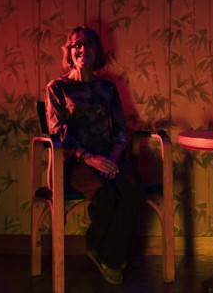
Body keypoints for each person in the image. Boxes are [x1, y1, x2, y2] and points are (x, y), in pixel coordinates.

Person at [45, 25, 146, 285]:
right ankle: (105, 249)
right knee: (105, 195)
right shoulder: (58, 88)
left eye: (89, 44)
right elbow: (59, 133)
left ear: (97, 51)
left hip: (110, 158)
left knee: (134, 189)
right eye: (77, 44)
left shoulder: (107, 88)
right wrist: (91, 159)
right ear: (69, 52)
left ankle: (106, 253)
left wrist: (111, 158)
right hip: (75, 162)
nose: (83, 49)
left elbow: (121, 130)